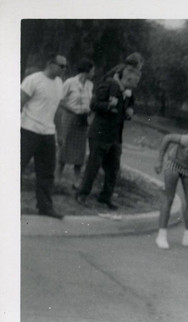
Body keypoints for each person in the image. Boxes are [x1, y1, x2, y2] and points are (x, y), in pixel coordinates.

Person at [76, 65, 141, 209]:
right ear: (128, 78)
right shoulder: (109, 84)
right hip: (100, 134)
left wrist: (129, 111)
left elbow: (127, 106)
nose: (136, 85)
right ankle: (82, 194)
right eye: (135, 81)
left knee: (113, 169)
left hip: (115, 137)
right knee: (93, 166)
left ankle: (105, 197)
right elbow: (94, 104)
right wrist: (108, 106)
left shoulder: (127, 92)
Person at [21, 53, 67, 219]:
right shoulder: (33, 80)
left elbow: (57, 111)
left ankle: (45, 207)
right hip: (28, 130)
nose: (64, 69)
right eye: (61, 66)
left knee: (47, 173)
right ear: (50, 63)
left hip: (48, 134)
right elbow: (19, 102)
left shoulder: (59, 83)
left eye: (65, 67)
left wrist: (60, 133)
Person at [56, 58, 95, 189]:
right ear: (86, 70)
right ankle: (57, 178)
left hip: (83, 120)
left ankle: (76, 181)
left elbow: (89, 102)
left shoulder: (90, 85)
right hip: (70, 117)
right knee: (65, 147)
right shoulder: (70, 82)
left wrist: (88, 111)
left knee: (80, 151)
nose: (93, 73)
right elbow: (60, 100)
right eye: (92, 70)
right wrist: (73, 110)